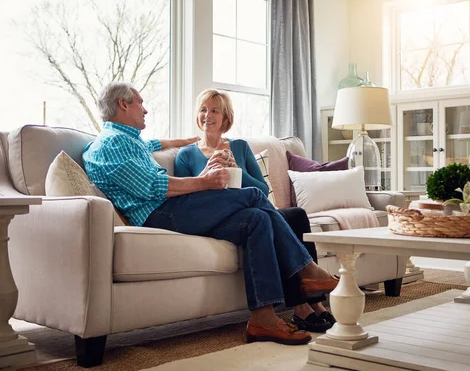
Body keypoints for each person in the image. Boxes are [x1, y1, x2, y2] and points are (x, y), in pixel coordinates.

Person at [83, 82, 338, 345]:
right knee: (253, 196)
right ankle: (308, 270)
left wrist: (187, 142)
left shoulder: (126, 139)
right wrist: (205, 181)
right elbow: (153, 186)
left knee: (257, 218)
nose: (145, 110)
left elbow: (153, 145)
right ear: (123, 104)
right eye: (140, 102)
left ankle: (263, 318)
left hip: (170, 209)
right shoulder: (112, 144)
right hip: (159, 213)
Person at [174, 89, 336, 333]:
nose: (207, 115)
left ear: (225, 117)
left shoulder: (239, 147)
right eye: (203, 110)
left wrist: (238, 168)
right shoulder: (186, 155)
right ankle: (305, 300)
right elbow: (187, 200)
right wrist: (206, 173)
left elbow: (261, 189)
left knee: (296, 215)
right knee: (266, 218)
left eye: (214, 110)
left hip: (252, 206)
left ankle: (312, 303)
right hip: (223, 217)